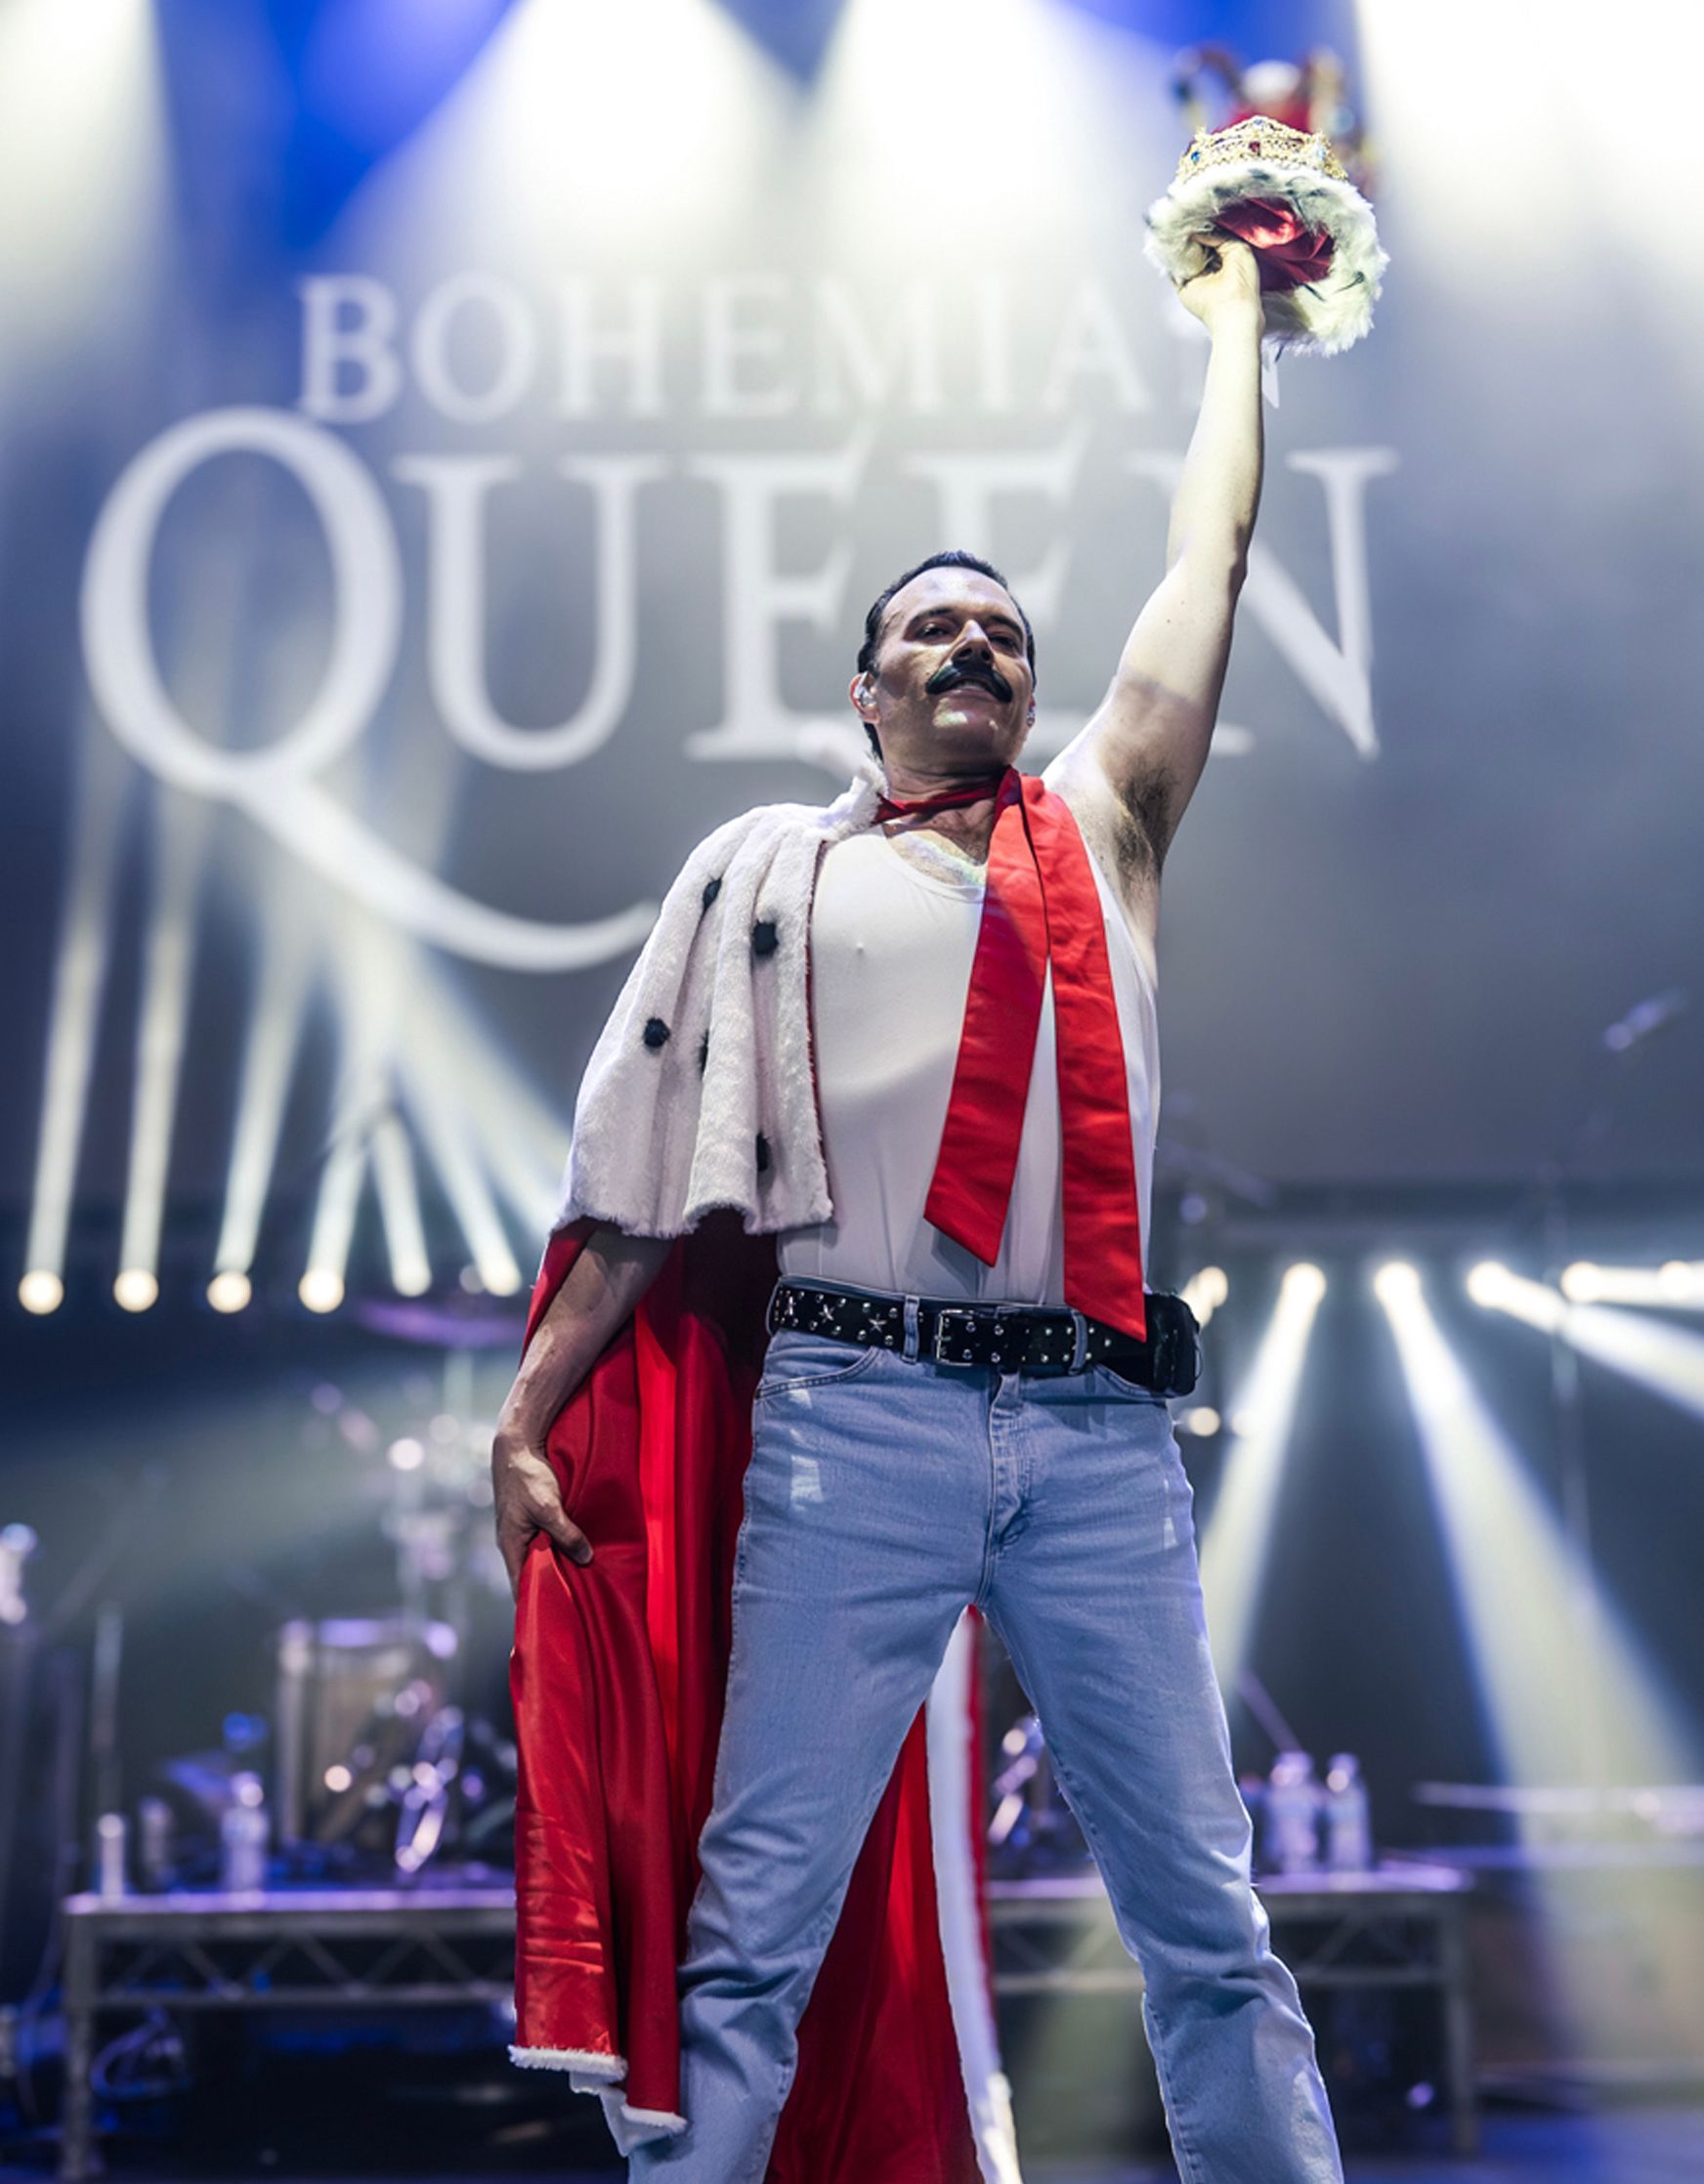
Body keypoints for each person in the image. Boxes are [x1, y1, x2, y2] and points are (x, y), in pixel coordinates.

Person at [492, 232, 1345, 2183]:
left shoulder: (1106, 826)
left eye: (1005, 636)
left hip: (1095, 1433)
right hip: (850, 1426)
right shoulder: (773, 873)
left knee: (1206, 1924)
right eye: (933, 632)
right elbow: (641, 1178)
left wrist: (1238, 322)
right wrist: (528, 1410)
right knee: (752, 1939)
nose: (975, 649)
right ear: (865, 687)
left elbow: (1210, 558)